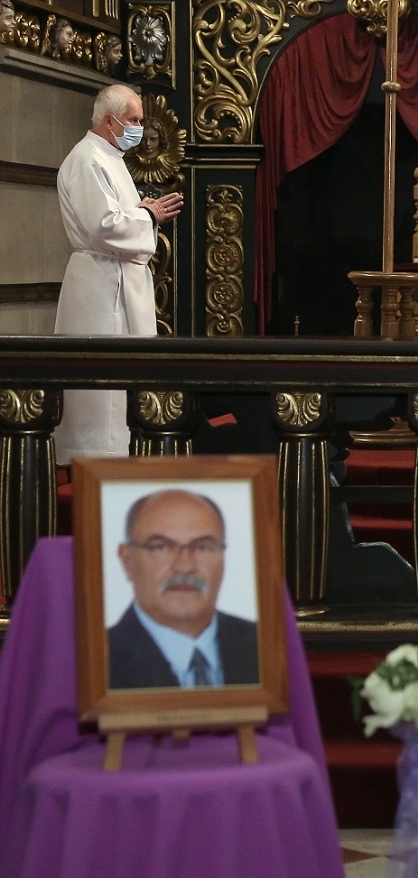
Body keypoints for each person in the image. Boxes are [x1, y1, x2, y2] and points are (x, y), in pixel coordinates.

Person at [54, 85, 183, 462]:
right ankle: (95, 468)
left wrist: (142, 211)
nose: (139, 129)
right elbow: (103, 226)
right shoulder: (88, 160)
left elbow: (118, 217)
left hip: (117, 276)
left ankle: (120, 461)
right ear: (110, 121)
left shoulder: (110, 157)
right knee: (101, 395)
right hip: (102, 285)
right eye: (134, 120)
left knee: (123, 390)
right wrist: (147, 214)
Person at [108, 488, 259, 689]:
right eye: (160, 547)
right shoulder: (98, 658)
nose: (184, 567)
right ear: (127, 560)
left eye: (203, 547)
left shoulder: (263, 645)